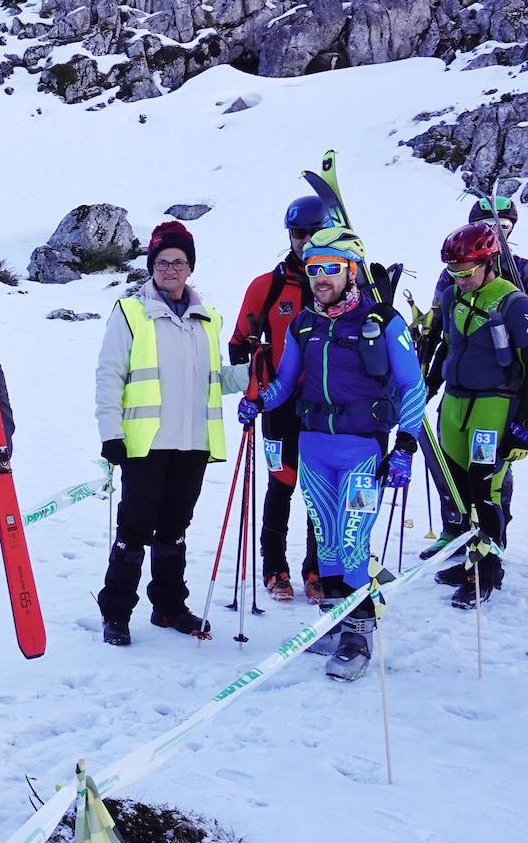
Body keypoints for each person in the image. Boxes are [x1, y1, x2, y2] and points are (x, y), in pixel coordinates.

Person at [237, 226, 425, 681]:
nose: (320, 276)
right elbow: (285, 382)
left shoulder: (383, 322)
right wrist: (259, 400)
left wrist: (405, 446)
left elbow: (413, 386)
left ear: (352, 270)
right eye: (314, 267)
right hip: (315, 447)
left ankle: (359, 634)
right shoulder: (305, 323)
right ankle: (337, 621)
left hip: (362, 450)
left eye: (331, 268)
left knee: (353, 541)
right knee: (327, 544)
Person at [95, 221, 249, 647]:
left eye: (179, 262)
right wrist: (111, 432)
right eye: (162, 262)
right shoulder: (131, 312)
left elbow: (216, 379)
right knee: (133, 530)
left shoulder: (208, 319)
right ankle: (117, 612)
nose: (170, 270)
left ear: (190, 267)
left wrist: (258, 370)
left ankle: (169, 605)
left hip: (193, 444)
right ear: (152, 266)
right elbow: (110, 375)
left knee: (175, 529)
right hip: (145, 443)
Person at [419, 195, 528, 558]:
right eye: (489, 225)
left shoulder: (525, 273)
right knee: (453, 468)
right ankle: (456, 530)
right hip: (459, 390)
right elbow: (443, 332)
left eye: (505, 226)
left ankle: (490, 548)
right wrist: (427, 378)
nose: (497, 232)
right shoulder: (452, 276)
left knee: (490, 476)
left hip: (502, 392)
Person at [424, 223, 528, 607]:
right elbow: (445, 347)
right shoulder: (450, 298)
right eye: (452, 271)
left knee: (485, 488)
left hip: (494, 403)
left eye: (465, 271)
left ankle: (487, 571)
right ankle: (469, 560)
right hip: (456, 401)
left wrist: (521, 425)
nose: (459, 279)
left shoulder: (514, 303)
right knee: (459, 487)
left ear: (487, 261)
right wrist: (426, 389)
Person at [228, 196, 328, 603]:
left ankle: (317, 569)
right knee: (281, 484)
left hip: (326, 405)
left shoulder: (341, 283)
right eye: (298, 233)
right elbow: (239, 345)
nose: (305, 240)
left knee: (321, 490)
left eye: (313, 232)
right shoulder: (267, 287)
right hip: (278, 404)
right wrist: (260, 367)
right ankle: (274, 569)